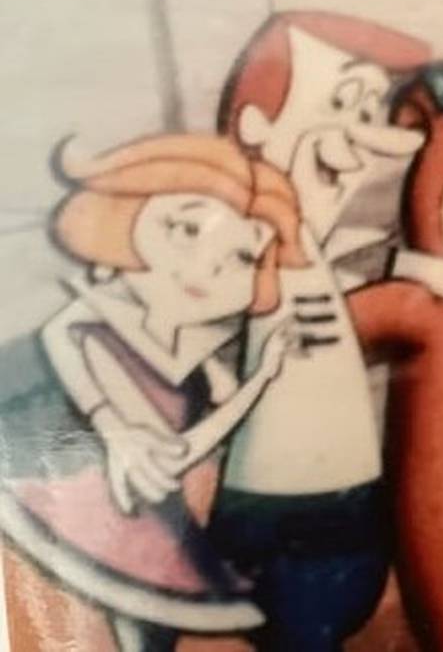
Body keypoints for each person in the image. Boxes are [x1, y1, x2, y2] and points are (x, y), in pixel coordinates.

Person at [0, 135, 304, 652]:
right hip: (74, 519)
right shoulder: (91, 326)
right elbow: (57, 335)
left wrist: (260, 378)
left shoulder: (196, 373)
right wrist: (113, 429)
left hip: (157, 535)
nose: (205, 269)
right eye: (185, 228)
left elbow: (187, 448)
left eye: (240, 256)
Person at [209, 12, 430, 651]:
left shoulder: (321, 245)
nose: (358, 136)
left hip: (345, 496)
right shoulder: (248, 244)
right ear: (257, 127)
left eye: (369, 106)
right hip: (282, 502)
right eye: (341, 101)